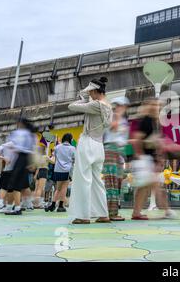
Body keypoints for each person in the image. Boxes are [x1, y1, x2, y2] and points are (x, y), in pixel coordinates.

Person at [68, 77, 113, 225]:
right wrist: (87, 98)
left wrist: (83, 99)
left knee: (83, 179)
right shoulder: (108, 105)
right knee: (96, 181)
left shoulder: (95, 104)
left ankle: (83, 215)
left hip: (88, 143)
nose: (90, 94)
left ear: (94, 90)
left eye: (90, 92)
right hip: (99, 144)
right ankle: (102, 213)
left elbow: (71, 107)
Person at [130, 98, 177, 220]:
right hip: (145, 160)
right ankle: (167, 210)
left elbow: (158, 143)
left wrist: (159, 158)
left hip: (149, 159)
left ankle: (136, 212)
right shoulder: (146, 121)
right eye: (154, 105)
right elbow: (137, 138)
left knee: (144, 188)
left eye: (158, 106)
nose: (157, 108)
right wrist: (140, 155)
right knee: (155, 186)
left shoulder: (154, 122)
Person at [102, 96, 130, 221]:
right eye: (117, 106)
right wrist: (117, 115)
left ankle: (113, 211)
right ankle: (110, 213)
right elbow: (113, 128)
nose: (119, 108)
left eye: (121, 106)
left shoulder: (123, 120)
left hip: (118, 152)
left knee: (117, 182)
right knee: (111, 181)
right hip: (110, 150)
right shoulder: (114, 116)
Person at [5, 118, 37, 215]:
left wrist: (13, 148)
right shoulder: (31, 134)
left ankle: (15, 207)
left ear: (20, 123)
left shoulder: (19, 133)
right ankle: (20, 206)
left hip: (20, 158)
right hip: (26, 159)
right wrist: (32, 163)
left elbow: (13, 145)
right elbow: (33, 149)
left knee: (14, 184)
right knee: (20, 184)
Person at [45, 133, 75, 213]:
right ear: (70, 139)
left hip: (57, 170)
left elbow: (53, 158)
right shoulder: (72, 148)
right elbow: (74, 159)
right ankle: (61, 206)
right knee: (64, 188)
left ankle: (53, 204)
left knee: (58, 189)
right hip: (67, 170)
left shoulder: (57, 147)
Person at [0, 141, 16, 213]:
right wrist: (3, 158)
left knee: (8, 189)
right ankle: (0, 205)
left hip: (9, 170)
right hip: (9, 170)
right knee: (5, 188)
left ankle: (4, 205)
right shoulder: (8, 145)